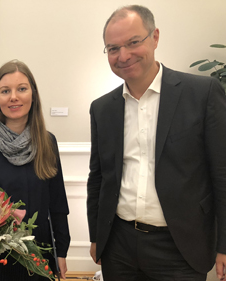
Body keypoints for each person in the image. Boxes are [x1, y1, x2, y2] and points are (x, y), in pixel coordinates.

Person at [87, 5, 226, 281]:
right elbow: (99, 179)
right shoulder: (102, 108)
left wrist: (224, 245)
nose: (123, 55)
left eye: (133, 42)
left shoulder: (202, 94)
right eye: (113, 48)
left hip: (180, 248)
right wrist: (96, 237)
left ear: (155, 37)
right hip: (119, 246)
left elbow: (222, 175)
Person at [0, 60, 70, 281]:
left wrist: (61, 251)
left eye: (21, 89)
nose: (14, 97)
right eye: (5, 91)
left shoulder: (48, 143)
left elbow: (58, 204)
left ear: (33, 95)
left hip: (38, 256)